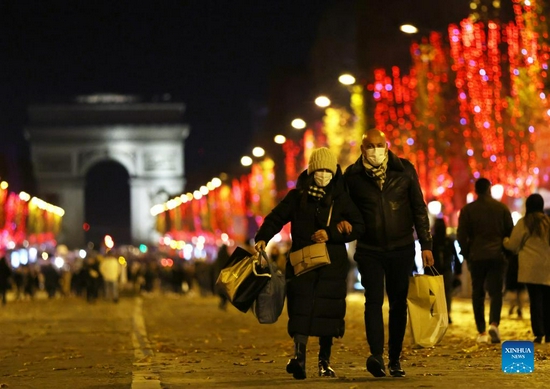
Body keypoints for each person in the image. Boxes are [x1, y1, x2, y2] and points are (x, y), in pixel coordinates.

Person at [254, 147, 365, 380]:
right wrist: (263, 237)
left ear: (334, 171)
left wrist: (333, 233)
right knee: (300, 308)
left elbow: (359, 226)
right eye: (319, 169)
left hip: (331, 265)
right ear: (312, 170)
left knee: (328, 311)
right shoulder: (297, 196)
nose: (323, 174)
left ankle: (325, 362)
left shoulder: (341, 197)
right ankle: (299, 357)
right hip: (301, 262)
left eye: (328, 170)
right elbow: (277, 217)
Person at [343, 128, 434, 378]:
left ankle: (394, 359)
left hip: (401, 247)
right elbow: (344, 208)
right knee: (373, 301)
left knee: (397, 304)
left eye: (379, 145)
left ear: (387, 145)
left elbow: (418, 208)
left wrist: (426, 244)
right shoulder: (352, 175)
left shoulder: (404, 170)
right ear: (362, 149)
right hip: (369, 249)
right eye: (370, 146)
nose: (375, 150)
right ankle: (376, 356)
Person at [457, 177, 513, 344]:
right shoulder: (501, 208)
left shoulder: (468, 210)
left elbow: (461, 235)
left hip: (477, 256)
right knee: (496, 292)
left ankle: (481, 331)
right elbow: (509, 232)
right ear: (489, 189)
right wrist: (505, 253)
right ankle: (494, 324)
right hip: (497, 256)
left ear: (476, 191)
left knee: (478, 293)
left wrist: (467, 253)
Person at [503, 193, 550, 343]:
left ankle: (539, 333)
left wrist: (505, 241)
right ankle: (549, 332)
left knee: (535, 299)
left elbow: (513, 245)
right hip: (546, 266)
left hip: (529, 267)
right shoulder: (548, 222)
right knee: (547, 300)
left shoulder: (524, 223)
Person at [427, 218, 462, 324]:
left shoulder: (432, 241)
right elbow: (455, 257)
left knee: (435, 294)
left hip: (434, 271)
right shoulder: (448, 241)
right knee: (446, 294)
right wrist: (457, 271)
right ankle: (446, 314)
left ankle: (437, 314)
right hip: (445, 271)